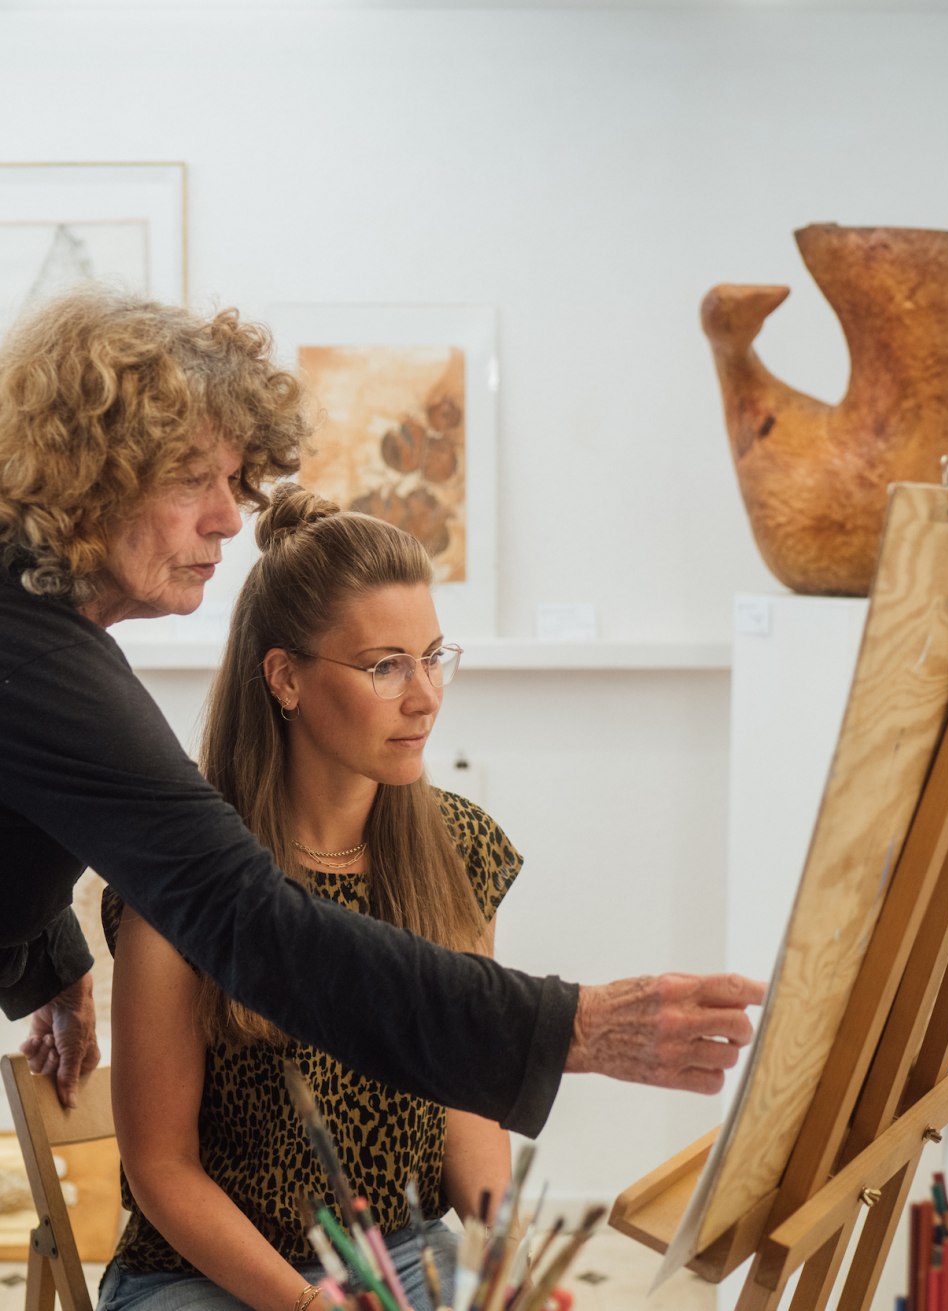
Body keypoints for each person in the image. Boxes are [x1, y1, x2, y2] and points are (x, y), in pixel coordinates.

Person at [0, 287, 763, 1136]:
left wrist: (51, 965)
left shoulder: (35, 634)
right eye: (191, 480)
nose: (226, 517)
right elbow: (259, 927)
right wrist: (572, 1025)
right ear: (87, 479)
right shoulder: (34, 654)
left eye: (230, 479)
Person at [99, 488, 524, 1311]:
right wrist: (309, 1306)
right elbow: (161, 1168)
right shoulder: (184, 870)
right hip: (204, 1271)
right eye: (385, 664)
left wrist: (500, 1251)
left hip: (399, 1253)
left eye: (434, 655)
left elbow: (468, 1108)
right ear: (284, 676)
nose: (425, 694)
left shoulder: (458, 851)